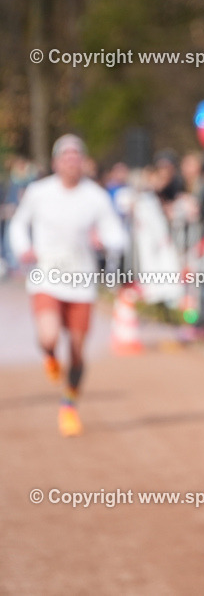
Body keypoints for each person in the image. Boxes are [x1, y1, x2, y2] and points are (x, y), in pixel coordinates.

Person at [8, 134, 127, 437]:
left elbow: (118, 235)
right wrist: (24, 248)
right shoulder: (39, 192)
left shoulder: (96, 196)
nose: (71, 163)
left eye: (76, 158)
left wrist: (104, 242)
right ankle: (49, 355)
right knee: (48, 336)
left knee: (76, 350)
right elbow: (19, 224)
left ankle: (69, 404)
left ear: (83, 162)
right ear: (55, 162)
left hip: (81, 280)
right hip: (46, 274)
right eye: (65, 157)